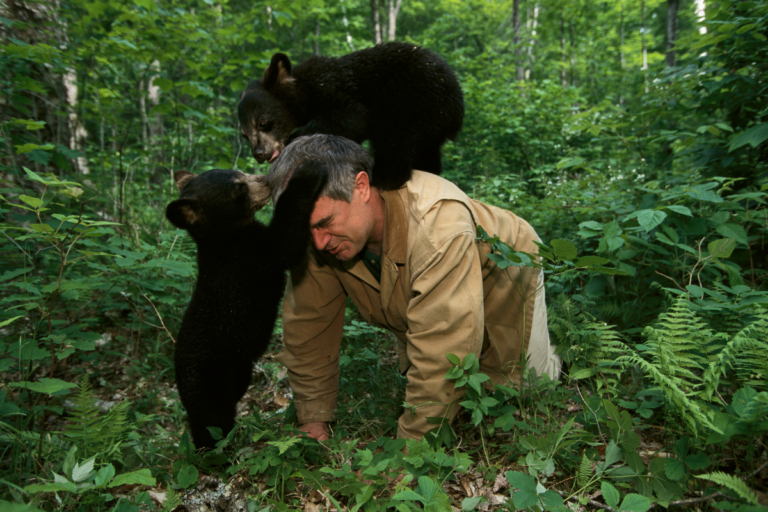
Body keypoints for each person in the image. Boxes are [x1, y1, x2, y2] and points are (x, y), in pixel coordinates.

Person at [268, 134, 561, 441]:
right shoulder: (319, 239)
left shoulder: (437, 224)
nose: (318, 242)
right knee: (440, 384)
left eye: (325, 222)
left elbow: (444, 348)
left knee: (520, 390)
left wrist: (410, 451)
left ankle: (557, 362)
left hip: (506, 268)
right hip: (428, 291)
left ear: (362, 187)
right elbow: (309, 328)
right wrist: (313, 419)